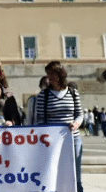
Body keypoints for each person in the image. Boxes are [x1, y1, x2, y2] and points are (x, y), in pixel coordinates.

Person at [35, 61, 84, 192]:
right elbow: (39, 120)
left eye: (52, 74)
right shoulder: (43, 96)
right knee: (54, 174)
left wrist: (77, 123)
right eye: (48, 74)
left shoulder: (73, 93)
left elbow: (79, 114)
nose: (49, 77)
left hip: (73, 139)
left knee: (75, 176)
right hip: (52, 142)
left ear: (60, 74)